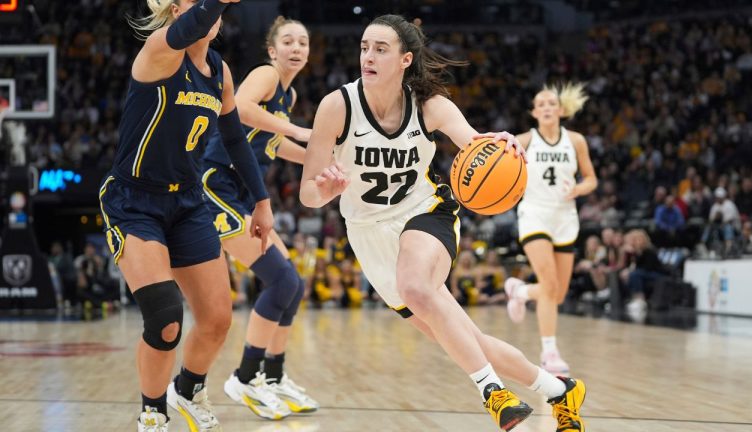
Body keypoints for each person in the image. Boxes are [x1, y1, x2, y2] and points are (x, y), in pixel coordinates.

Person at [299, 15, 585, 432]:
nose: (368, 56)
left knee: (417, 287)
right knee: (467, 339)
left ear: (405, 59)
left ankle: (493, 393)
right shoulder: (336, 106)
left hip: (424, 213)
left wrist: (500, 143)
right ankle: (560, 391)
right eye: (364, 47)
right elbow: (308, 191)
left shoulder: (430, 106)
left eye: (381, 49)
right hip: (367, 233)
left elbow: (475, 143)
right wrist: (325, 190)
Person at [100, 1, 274, 430]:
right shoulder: (160, 49)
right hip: (136, 201)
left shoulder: (220, 71)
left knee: (217, 319)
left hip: (189, 203)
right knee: (165, 319)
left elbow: (235, 140)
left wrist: (262, 201)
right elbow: (193, 23)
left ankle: (189, 386)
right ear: (176, 10)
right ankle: (153, 413)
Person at [201, 16, 318, 419]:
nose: (297, 48)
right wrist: (303, 132)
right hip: (215, 186)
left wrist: (320, 161)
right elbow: (242, 110)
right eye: (288, 41)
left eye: (303, 42)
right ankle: (245, 378)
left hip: (244, 195)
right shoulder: (266, 75)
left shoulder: (290, 94)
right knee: (280, 279)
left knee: (293, 285)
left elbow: (274, 142)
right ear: (273, 50)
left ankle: (273, 375)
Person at [503, 82, 598, 375]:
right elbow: (496, 152)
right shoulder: (525, 140)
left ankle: (520, 291)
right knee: (549, 282)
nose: (545, 107)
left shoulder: (577, 141)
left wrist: (579, 189)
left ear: (560, 110)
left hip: (565, 217)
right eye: (540, 104)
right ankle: (549, 353)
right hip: (534, 215)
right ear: (534, 112)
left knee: (556, 294)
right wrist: (502, 140)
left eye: (550, 103)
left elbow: (592, 179)